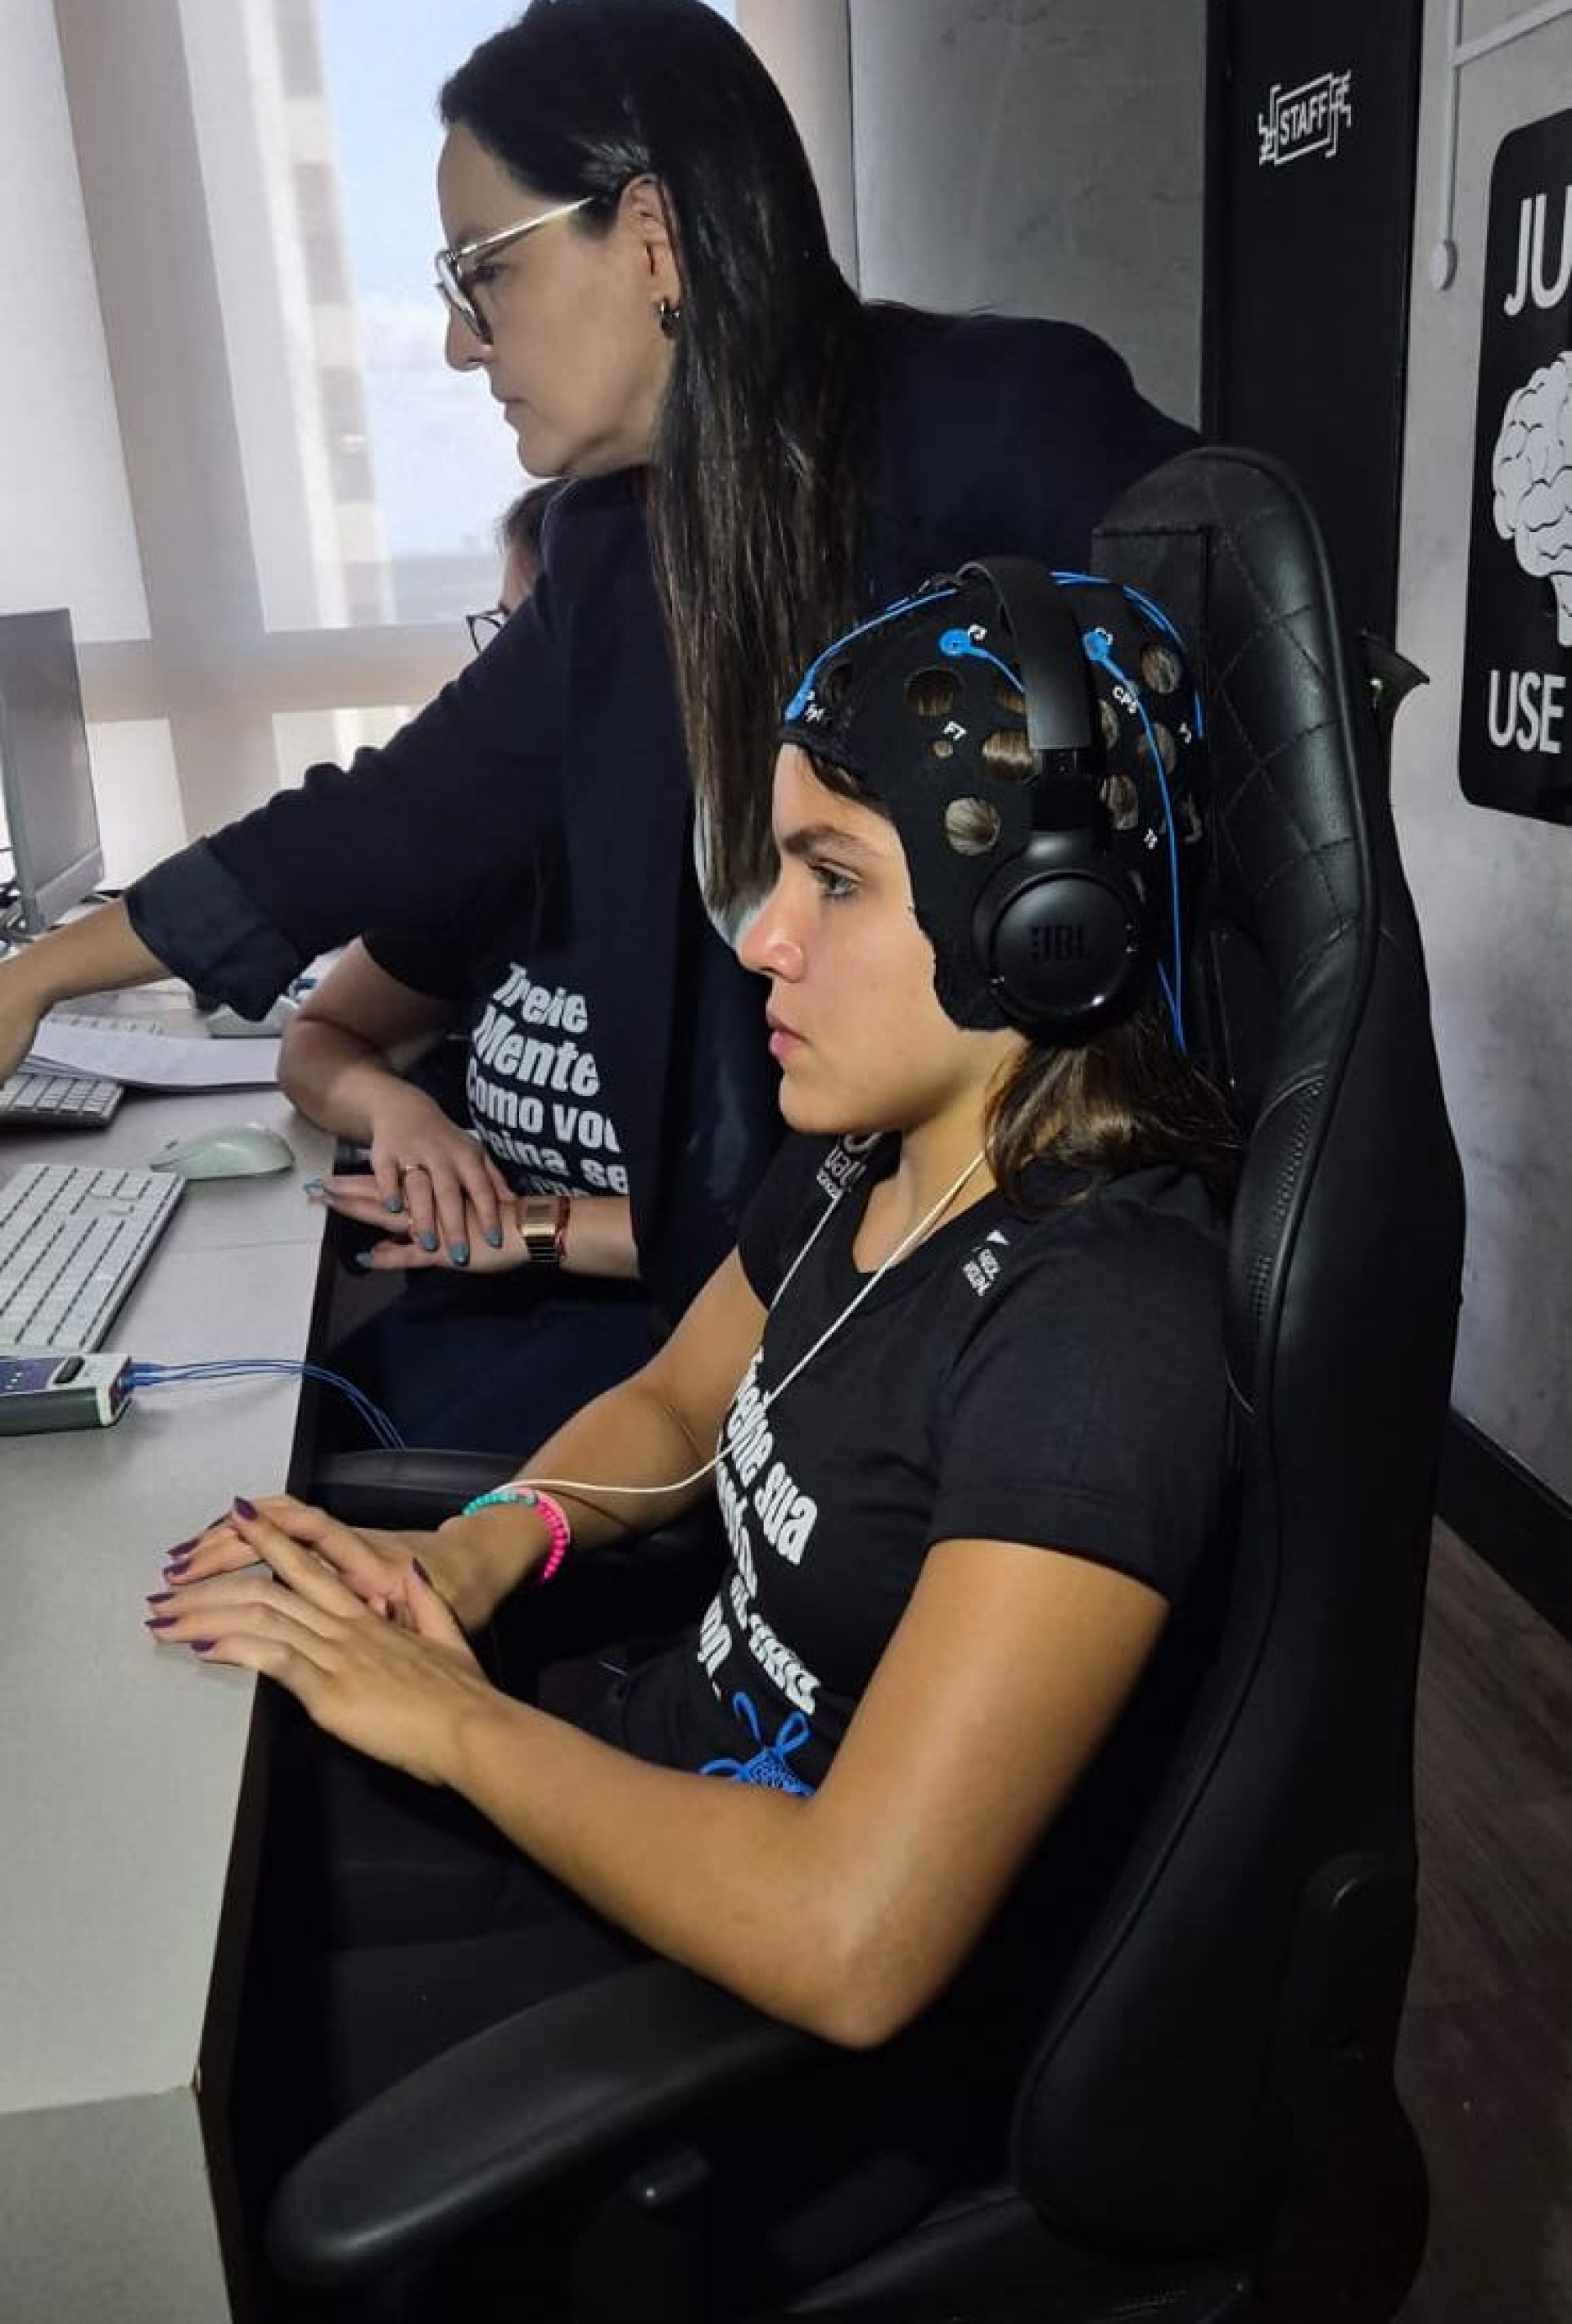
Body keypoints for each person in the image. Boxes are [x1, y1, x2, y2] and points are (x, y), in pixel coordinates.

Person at [147, 569, 1235, 2302]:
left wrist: (451, 1721)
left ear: (1046, 925)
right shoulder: (860, 1152)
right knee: (182, 1874)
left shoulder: (1102, 1336)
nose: (761, 939)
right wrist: (478, 1547)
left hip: (766, 2034)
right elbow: (673, 1398)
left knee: (195, 2118)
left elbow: (853, 1937)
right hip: (625, 1779)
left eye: (833, 878)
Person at [0, 0, 1195, 1325]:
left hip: (1059, 1269)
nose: (458, 343)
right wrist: (37, 978)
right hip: (786, 1298)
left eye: (481, 272)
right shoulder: (613, 553)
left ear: (649, 238)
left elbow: (1262, 816)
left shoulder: (1008, 427)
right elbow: (387, 821)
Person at [282, 481, 652, 1452]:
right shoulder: (512, 847)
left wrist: (532, 1224)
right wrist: (399, 1110)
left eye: (522, 637)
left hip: (664, 1341)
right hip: (486, 1311)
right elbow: (321, 1035)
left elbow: (794, 1233)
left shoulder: (754, 887)